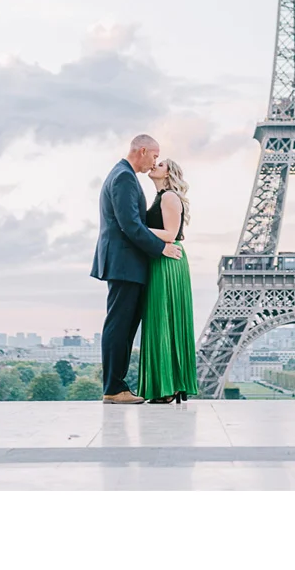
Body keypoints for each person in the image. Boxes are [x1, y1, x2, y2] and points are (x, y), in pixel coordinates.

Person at [91, 134, 183, 404]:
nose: (154, 162)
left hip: (125, 262)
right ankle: (113, 388)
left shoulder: (122, 175)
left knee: (124, 326)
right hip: (124, 263)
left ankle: (116, 386)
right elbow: (129, 225)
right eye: (154, 156)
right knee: (119, 326)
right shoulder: (124, 177)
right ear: (142, 151)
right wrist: (160, 247)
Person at [137, 157, 199, 404]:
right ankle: (169, 384)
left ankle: (168, 386)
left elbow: (171, 234)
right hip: (162, 260)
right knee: (163, 321)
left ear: (170, 173)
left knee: (163, 320)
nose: (154, 165)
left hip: (168, 261)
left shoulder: (169, 197)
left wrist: (134, 227)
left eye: (160, 164)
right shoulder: (160, 197)